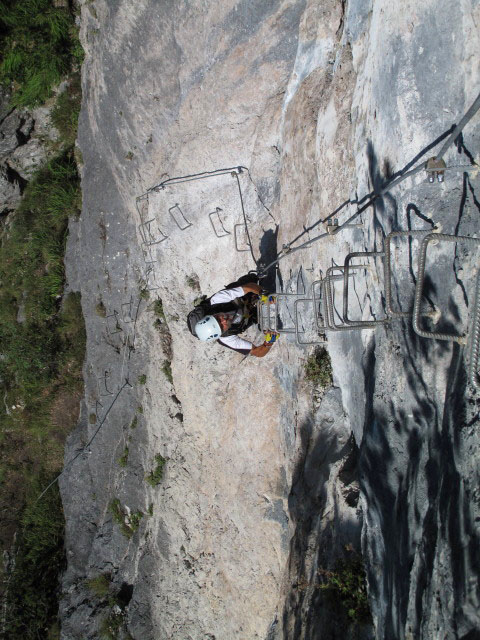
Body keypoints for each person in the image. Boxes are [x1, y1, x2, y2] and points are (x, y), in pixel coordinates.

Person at [193, 280, 278, 357]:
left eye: (218, 318)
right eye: (222, 326)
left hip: (239, 303)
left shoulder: (217, 301)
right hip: (248, 316)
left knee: (251, 279)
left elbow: (248, 287)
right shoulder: (226, 339)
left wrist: (262, 294)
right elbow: (256, 352)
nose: (223, 320)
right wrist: (268, 342)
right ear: (221, 333)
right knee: (252, 316)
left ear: (213, 315)